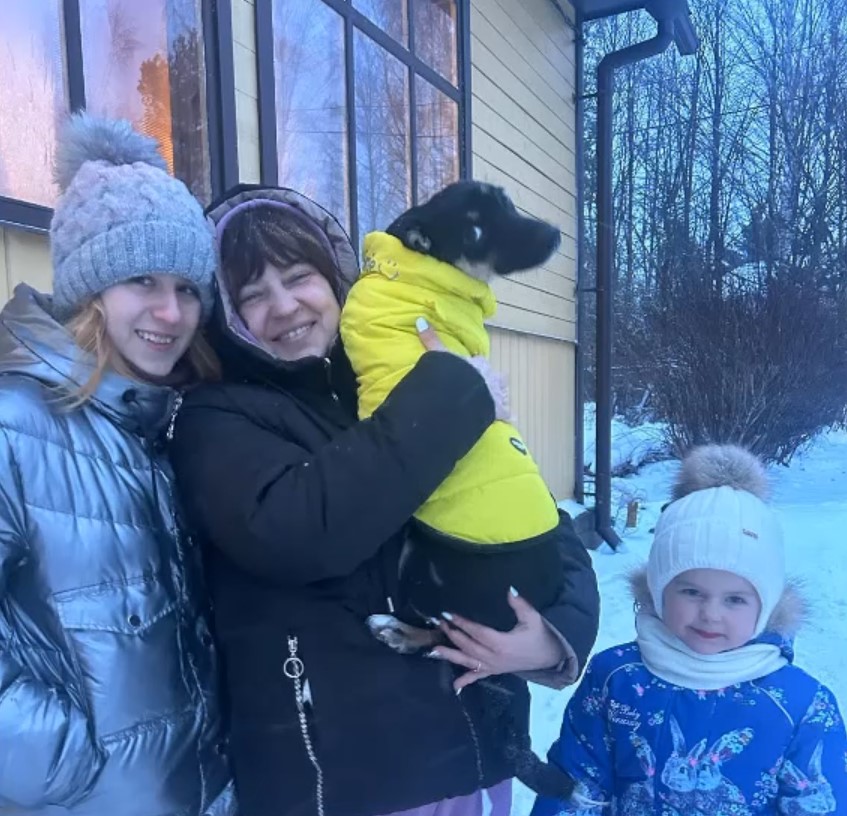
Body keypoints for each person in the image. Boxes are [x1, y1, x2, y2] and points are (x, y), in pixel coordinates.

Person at [167, 184, 601, 816]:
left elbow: (534, 521)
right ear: (223, 315)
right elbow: (303, 530)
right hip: (350, 784)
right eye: (251, 295)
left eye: (298, 276)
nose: (284, 306)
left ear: (336, 275)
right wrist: (452, 393)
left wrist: (555, 639)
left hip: (476, 760)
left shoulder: (396, 373)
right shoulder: (220, 419)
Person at [0, 114, 234, 815]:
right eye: (141, 280)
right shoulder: (15, 424)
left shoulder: (170, 419)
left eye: (188, 288)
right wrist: (70, 762)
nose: (171, 313)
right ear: (89, 291)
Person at [532, 444, 847, 816]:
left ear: (768, 604)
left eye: (735, 599)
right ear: (660, 590)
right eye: (692, 591)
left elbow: (818, 801)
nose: (710, 614)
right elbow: (579, 783)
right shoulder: (616, 678)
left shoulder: (801, 705)